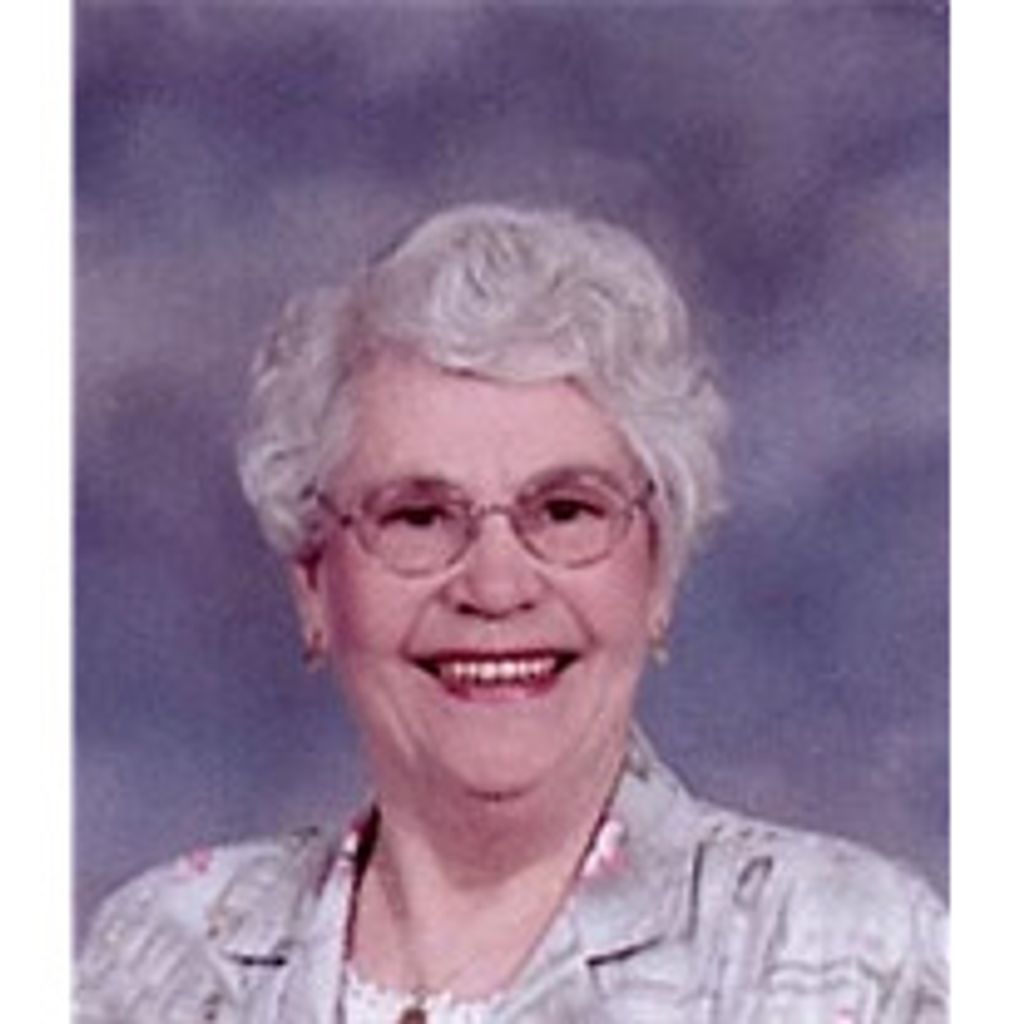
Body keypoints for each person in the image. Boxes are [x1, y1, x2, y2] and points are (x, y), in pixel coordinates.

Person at [75, 204, 948, 1023]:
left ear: (658, 575)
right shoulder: (166, 956)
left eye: (566, 510)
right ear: (313, 584)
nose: (496, 587)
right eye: (418, 517)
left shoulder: (850, 954)